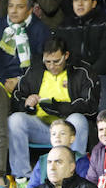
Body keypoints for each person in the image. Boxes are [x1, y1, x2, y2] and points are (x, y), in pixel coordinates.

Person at [8, 38, 99, 180]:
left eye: (56, 61)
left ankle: (74, 176)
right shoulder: (35, 71)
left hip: (68, 130)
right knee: (15, 120)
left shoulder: (82, 71)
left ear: (66, 56)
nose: (51, 66)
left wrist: (57, 107)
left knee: (78, 120)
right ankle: (23, 178)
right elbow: (15, 99)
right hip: (43, 128)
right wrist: (26, 104)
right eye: (47, 61)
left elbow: (91, 106)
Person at [53, 0, 106, 108]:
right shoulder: (64, 26)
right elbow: (56, 54)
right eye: (76, 0)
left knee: (95, 84)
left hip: (100, 75)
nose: (80, 4)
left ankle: (100, 125)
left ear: (94, 3)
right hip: (70, 75)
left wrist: (83, 76)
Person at [0, 0, 50, 91]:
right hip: (1, 80)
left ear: (30, 10)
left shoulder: (41, 30)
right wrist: (4, 80)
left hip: (31, 81)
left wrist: (22, 81)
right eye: (11, 6)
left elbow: (42, 62)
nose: (13, 11)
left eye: (20, 7)